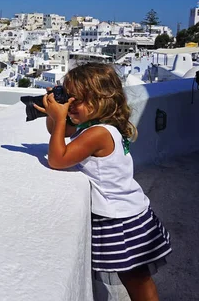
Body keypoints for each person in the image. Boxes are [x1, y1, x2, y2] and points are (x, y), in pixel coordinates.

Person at [35, 63, 171, 301]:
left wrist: (58, 118)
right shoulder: (97, 124)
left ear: (100, 100)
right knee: (136, 279)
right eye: (68, 98)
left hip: (121, 220)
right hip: (125, 212)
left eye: (76, 100)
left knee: (136, 280)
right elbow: (60, 133)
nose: (70, 105)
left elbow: (58, 159)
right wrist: (55, 114)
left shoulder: (97, 133)